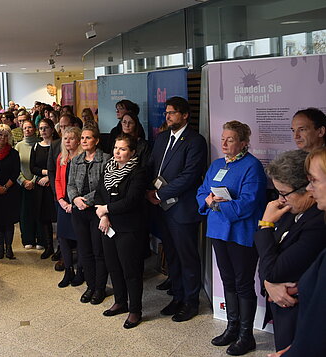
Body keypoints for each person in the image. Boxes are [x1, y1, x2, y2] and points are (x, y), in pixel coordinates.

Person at [196, 121, 267, 355]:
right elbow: (202, 191)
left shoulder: (252, 166)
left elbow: (248, 203)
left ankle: (247, 336)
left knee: (243, 283)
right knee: (227, 280)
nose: (224, 143)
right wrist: (208, 201)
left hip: (241, 233)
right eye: (223, 138)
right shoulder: (216, 165)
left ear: (244, 142)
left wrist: (219, 204)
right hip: (218, 231)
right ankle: (232, 327)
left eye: (231, 139)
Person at [254, 150, 326, 352]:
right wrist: (268, 284)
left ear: (305, 188)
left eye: (284, 193)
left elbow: (273, 268)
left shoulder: (318, 222)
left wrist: (266, 225)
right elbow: (265, 258)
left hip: (301, 316)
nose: (280, 200)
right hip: (283, 310)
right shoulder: (289, 211)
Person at [146, 96, 207, 322]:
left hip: (182, 209)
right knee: (171, 255)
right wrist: (147, 189)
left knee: (187, 257)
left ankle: (191, 302)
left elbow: (189, 177)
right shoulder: (162, 139)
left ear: (184, 115)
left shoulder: (195, 141)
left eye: (172, 113)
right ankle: (178, 296)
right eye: (166, 113)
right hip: (162, 209)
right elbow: (152, 167)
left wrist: (160, 193)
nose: (168, 116)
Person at [95, 133, 147, 329]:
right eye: (116, 148)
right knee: (113, 266)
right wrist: (104, 215)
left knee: (130, 270)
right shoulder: (108, 167)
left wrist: (107, 209)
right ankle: (120, 301)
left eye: (123, 149)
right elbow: (101, 193)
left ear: (132, 152)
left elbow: (131, 200)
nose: (117, 152)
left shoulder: (138, 172)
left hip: (129, 227)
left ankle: (135, 310)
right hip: (107, 225)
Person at [67, 126, 110, 305]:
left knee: (98, 251)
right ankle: (90, 286)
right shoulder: (76, 160)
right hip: (79, 211)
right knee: (84, 251)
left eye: (88, 138)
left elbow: (105, 187)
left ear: (97, 140)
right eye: (82, 138)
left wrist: (86, 200)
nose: (84, 141)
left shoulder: (106, 159)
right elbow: (70, 184)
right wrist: (75, 198)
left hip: (96, 211)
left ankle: (100, 288)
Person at [55, 127, 83, 287]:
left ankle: (80, 271)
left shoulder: (83, 157)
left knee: (79, 238)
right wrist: (61, 200)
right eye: (65, 139)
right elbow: (58, 180)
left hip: (78, 203)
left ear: (78, 140)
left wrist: (73, 203)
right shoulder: (61, 157)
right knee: (63, 238)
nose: (67, 141)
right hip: (63, 203)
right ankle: (68, 270)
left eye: (71, 138)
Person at [0, 124, 21, 259]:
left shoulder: (14, 153)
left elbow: (15, 172)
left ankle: (9, 248)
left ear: (9, 137)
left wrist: (5, 187)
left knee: (9, 222)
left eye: (5, 135)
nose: (3, 137)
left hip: (10, 191)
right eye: (0, 134)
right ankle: (0, 247)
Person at [30, 118, 59, 259]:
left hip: (55, 186)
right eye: (41, 128)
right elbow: (33, 167)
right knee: (44, 217)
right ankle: (48, 246)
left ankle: (61, 248)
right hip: (41, 186)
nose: (43, 131)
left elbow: (61, 166)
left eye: (46, 127)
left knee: (58, 218)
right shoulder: (36, 146)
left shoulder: (58, 145)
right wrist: (47, 173)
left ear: (52, 129)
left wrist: (50, 176)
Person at [15, 120, 42, 249]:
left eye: (30, 127)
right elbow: (15, 167)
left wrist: (33, 181)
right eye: (25, 128)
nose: (27, 130)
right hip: (22, 184)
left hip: (38, 183)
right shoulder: (18, 146)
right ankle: (27, 239)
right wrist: (23, 181)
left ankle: (40, 239)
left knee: (39, 211)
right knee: (25, 213)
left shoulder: (39, 144)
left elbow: (41, 165)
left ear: (34, 129)